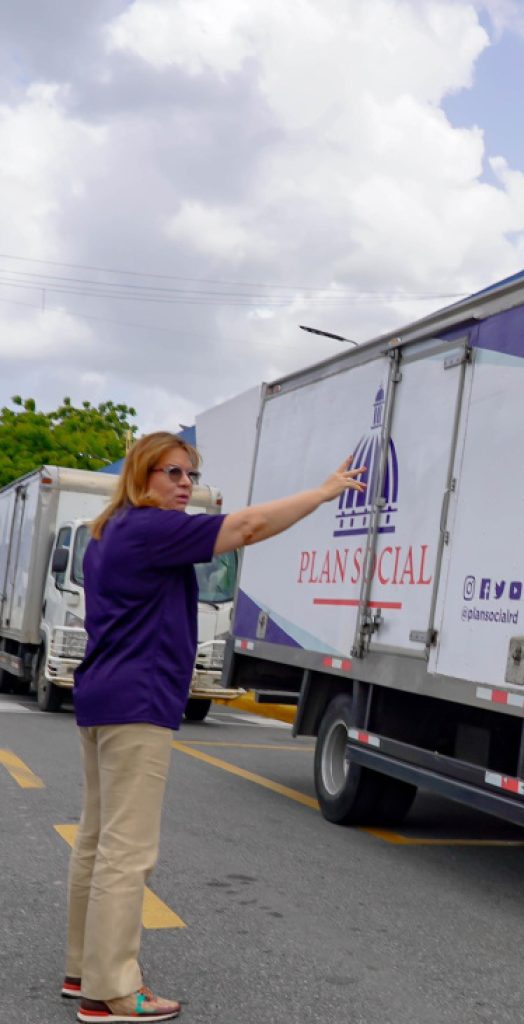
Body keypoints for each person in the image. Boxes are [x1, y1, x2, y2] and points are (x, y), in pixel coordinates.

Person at [63, 431, 365, 1023]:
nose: (184, 486)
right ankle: (111, 991)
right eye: (171, 473)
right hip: (137, 703)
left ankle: (83, 971)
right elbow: (247, 528)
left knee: (98, 844)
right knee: (128, 851)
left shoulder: (108, 531)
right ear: (141, 475)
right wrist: (323, 493)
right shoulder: (152, 529)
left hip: (103, 698)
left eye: (190, 475)